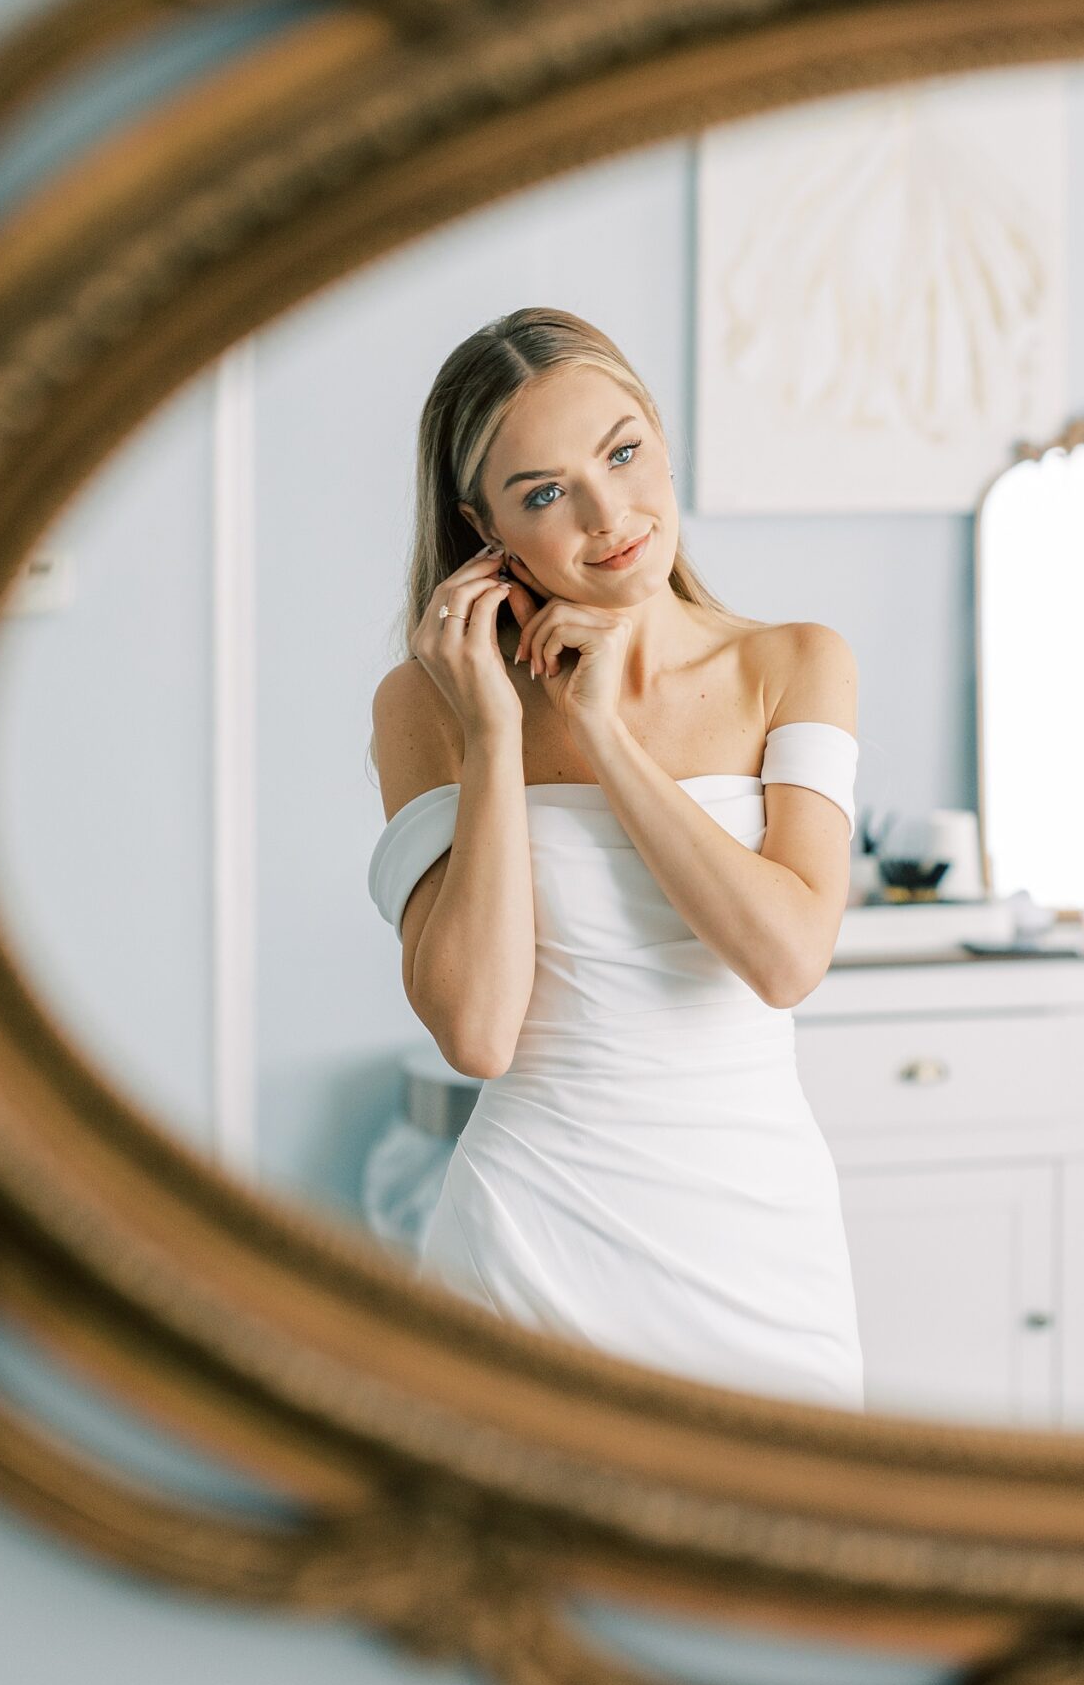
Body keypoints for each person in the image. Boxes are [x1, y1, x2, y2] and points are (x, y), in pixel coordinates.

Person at [366, 307, 863, 1408]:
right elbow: (479, 1031)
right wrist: (497, 733)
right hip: (525, 1251)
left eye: (623, 451)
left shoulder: (793, 665)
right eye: (545, 492)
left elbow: (786, 957)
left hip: (759, 1246)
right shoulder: (425, 706)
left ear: (661, 438)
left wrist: (603, 735)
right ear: (484, 529)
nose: (609, 513)